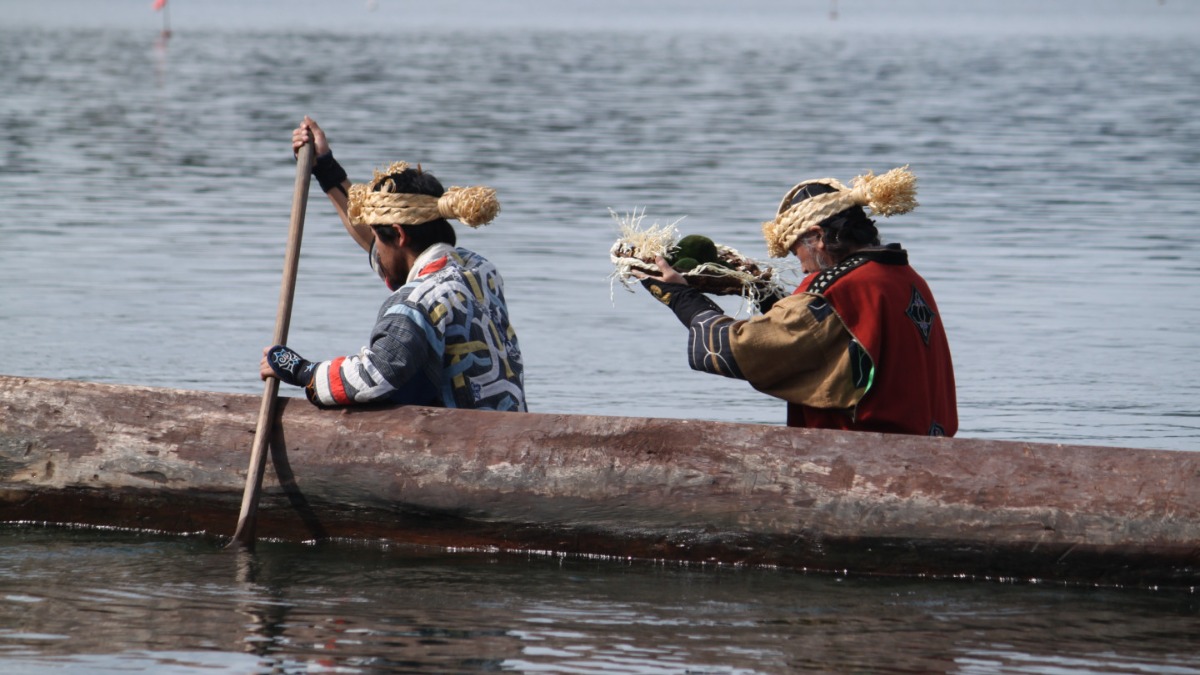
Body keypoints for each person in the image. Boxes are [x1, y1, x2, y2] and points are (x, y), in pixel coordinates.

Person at [638, 166, 956, 436]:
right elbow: (828, 336)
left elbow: (738, 349)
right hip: (922, 449)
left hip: (863, 456)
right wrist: (759, 292)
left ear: (818, 236)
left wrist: (680, 296)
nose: (802, 265)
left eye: (797, 250)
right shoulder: (902, 276)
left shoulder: (835, 289)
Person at [259, 117, 527, 412]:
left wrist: (299, 370)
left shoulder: (416, 301)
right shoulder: (481, 271)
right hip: (507, 423)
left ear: (399, 235)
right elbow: (383, 249)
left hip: (469, 445)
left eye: (377, 236)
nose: (375, 250)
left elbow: (371, 377)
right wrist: (325, 167)